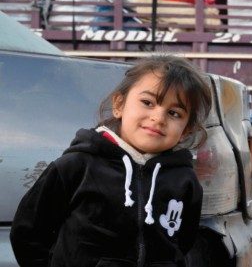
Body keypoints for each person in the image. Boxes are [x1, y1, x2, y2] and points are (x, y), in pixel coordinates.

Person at [10, 55, 212, 267]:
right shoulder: (77, 165)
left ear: (185, 131)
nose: (158, 117)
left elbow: (185, 240)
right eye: (147, 102)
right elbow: (28, 232)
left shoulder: (184, 180)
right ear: (119, 104)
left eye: (174, 113)